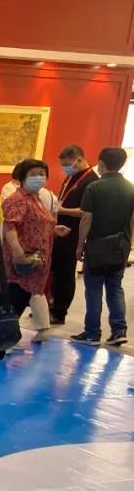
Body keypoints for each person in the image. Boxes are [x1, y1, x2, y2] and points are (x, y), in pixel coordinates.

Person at [0, 159, 68, 343]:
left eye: (42, 174)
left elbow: (37, 224)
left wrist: (54, 230)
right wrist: (17, 253)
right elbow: (10, 228)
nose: (38, 178)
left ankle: (37, 330)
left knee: (33, 293)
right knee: (16, 297)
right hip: (23, 259)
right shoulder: (17, 200)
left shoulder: (36, 199)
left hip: (38, 259)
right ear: (23, 177)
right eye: (33, 174)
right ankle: (5, 336)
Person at [73, 147, 134, 346]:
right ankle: (119, 330)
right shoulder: (130, 188)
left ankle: (92, 333)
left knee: (93, 289)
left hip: (96, 246)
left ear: (101, 163)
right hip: (120, 245)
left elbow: (86, 219)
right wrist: (128, 243)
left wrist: (80, 246)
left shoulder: (94, 188)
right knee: (115, 288)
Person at [52, 145, 98, 325]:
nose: (65, 168)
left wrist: (63, 210)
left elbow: (88, 212)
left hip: (73, 234)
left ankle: (60, 312)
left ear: (79, 159)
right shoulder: (70, 177)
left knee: (65, 273)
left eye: (67, 164)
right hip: (59, 231)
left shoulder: (91, 181)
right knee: (55, 272)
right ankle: (52, 304)